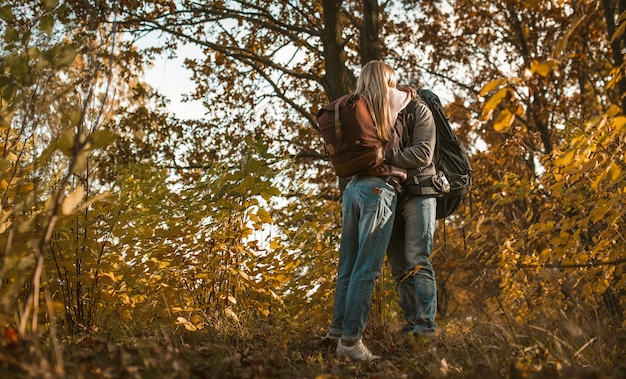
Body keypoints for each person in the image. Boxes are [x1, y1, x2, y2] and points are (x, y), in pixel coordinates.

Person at [326, 60, 413, 361]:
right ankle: (351, 342)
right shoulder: (388, 99)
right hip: (379, 190)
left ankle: (336, 333)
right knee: (367, 269)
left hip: (353, 189)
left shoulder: (354, 105)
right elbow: (409, 96)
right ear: (387, 79)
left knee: (348, 267)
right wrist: (409, 91)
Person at [384, 90, 438, 337]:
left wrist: (385, 156)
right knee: (398, 266)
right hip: (390, 195)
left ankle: (425, 327)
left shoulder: (419, 111)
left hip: (421, 191)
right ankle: (411, 324)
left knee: (418, 259)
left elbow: (422, 155)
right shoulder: (378, 114)